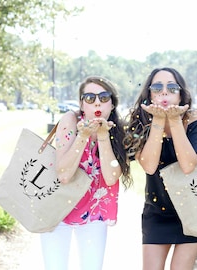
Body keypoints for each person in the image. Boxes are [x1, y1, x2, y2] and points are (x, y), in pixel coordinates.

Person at [124, 67, 197, 270]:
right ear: (149, 93)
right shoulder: (141, 122)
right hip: (158, 211)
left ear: (181, 94)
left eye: (172, 87)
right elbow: (149, 166)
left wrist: (174, 120)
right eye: (157, 87)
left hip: (193, 211)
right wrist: (158, 120)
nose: (164, 92)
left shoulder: (195, 120)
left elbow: (188, 165)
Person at [40, 76, 132, 270]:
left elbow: (110, 177)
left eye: (104, 97)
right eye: (89, 97)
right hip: (59, 208)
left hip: (94, 212)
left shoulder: (116, 131)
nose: (97, 102)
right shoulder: (70, 121)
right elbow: (63, 174)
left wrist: (102, 135)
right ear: (82, 104)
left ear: (112, 104)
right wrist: (83, 136)